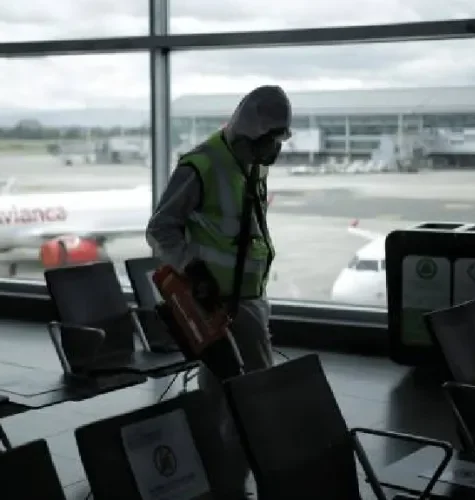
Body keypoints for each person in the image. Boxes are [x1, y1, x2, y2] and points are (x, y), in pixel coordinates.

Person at [145, 85, 292, 494]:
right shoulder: (200, 166)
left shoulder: (252, 163)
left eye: (279, 141)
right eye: (270, 141)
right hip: (215, 299)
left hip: (248, 297)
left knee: (233, 386)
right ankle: (232, 469)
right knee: (240, 387)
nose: (274, 151)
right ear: (248, 134)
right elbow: (160, 229)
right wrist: (191, 269)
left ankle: (225, 467)